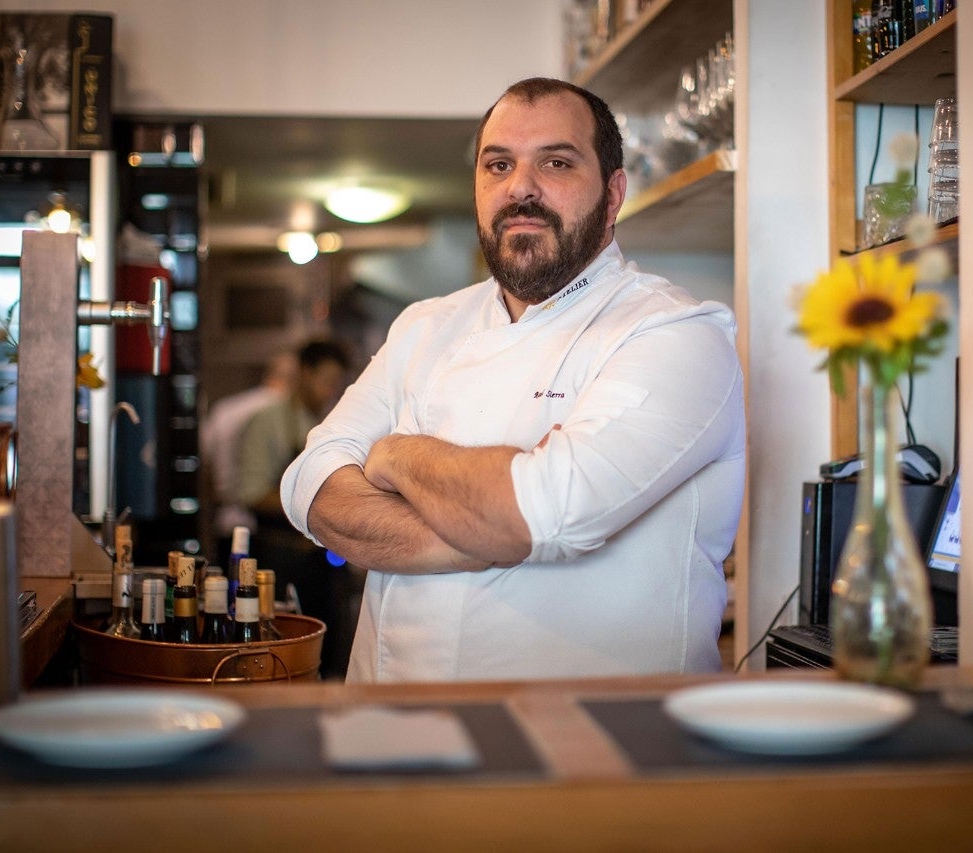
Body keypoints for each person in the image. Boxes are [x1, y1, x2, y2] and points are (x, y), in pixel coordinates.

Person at [281, 77, 746, 683]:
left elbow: (546, 514)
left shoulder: (676, 333)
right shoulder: (426, 325)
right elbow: (311, 489)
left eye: (555, 161)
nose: (520, 187)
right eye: (497, 164)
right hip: (394, 735)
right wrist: (486, 533)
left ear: (613, 193)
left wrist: (395, 456)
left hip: (593, 749)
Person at [238, 339, 358, 678]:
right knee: (287, 656)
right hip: (280, 558)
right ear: (304, 373)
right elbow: (250, 493)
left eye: (337, 383)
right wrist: (313, 502)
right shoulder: (267, 422)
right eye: (327, 380)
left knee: (328, 655)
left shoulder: (328, 426)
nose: (332, 390)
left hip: (321, 560)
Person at [201, 349, 297, 565]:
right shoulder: (282, 413)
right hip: (265, 528)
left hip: (225, 521)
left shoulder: (226, 408)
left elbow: (205, 466)